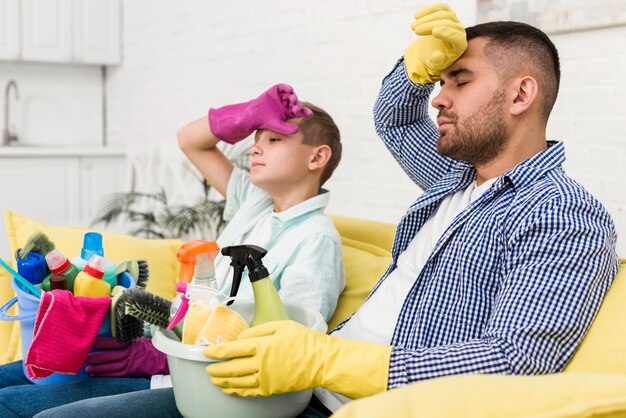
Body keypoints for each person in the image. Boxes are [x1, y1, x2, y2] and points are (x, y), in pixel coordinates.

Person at [29, 3, 619, 418]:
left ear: (522, 94)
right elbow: (395, 116)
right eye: (438, 81)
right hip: (297, 387)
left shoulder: (563, 214)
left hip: (347, 399)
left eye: (459, 81)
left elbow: (516, 359)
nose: (438, 95)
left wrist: (326, 358)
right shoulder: (453, 181)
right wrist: (416, 63)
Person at [0, 84, 345, 417]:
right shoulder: (255, 204)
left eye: (273, 139)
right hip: (168, 348)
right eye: (256, 139)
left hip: (197, 382)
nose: (255, 149)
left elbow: (290, 346)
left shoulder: (315, 240)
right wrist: (247, 112)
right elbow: (191, 141)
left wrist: (163, 357)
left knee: (11, 404)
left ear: (317, 157)